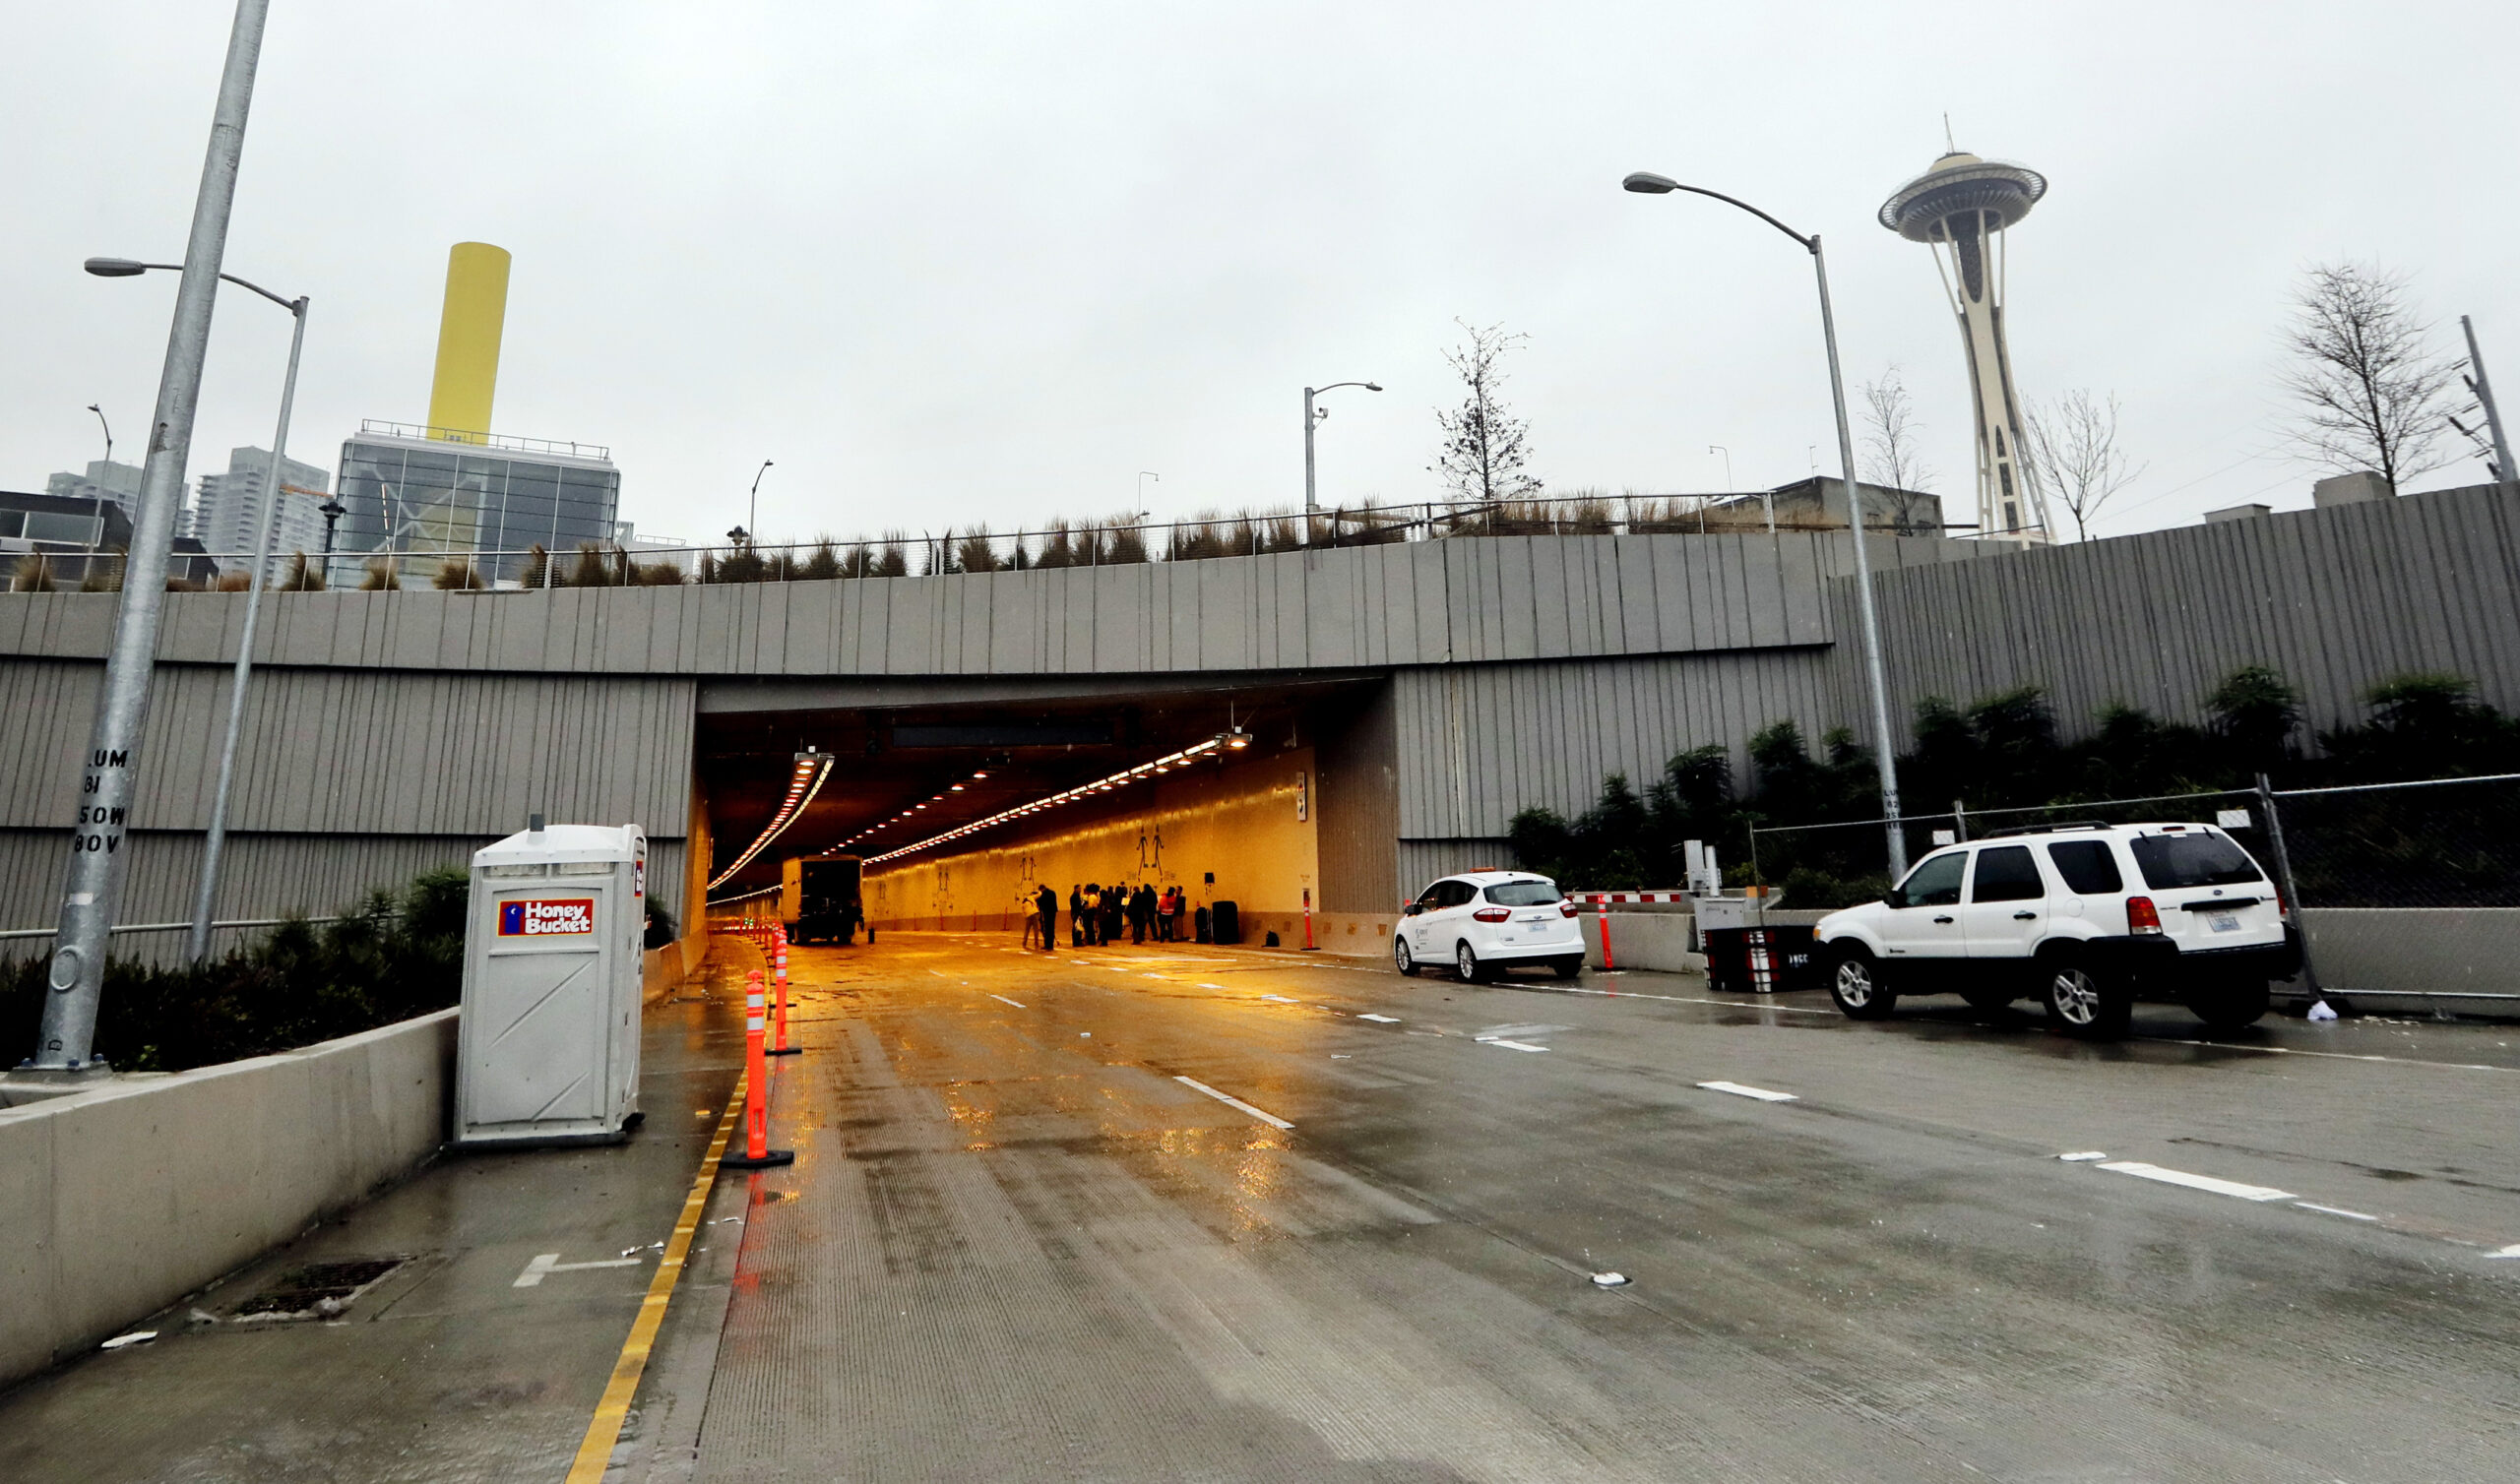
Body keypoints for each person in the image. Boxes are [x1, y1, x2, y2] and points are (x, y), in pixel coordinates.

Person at [1036, 884, 1058, 953]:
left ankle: (1048, 945)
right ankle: (1051, 945)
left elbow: (1039, 902)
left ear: (1041, 889)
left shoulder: (1044, 894)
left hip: (1047, 913)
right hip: (1053, 913)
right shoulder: (1053, 892)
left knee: (1047, 929)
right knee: (1051, 929)